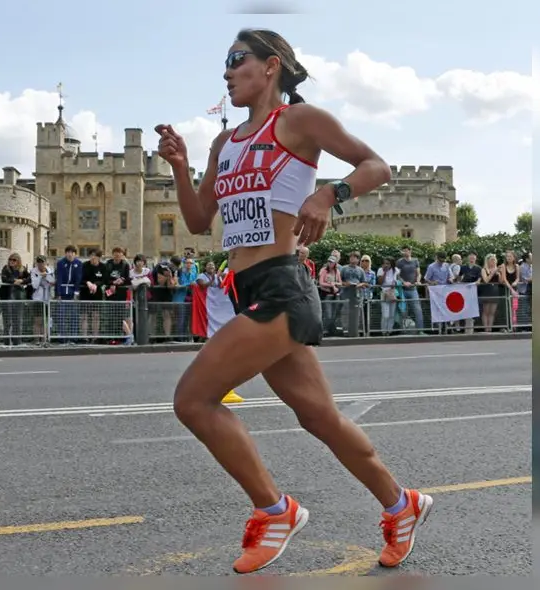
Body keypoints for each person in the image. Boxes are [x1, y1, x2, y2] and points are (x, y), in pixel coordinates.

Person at [154, 28, 433, 575]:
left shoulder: (299, 123)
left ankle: (275, 510)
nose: (229, 72)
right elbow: (196, 220)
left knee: (193, 400)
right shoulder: (225, 143)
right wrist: (181, 166)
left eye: (238, 61)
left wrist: (330, 193)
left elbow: (377, 166)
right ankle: (403, 505)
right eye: (225, 65)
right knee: (320, 418)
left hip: (283, 286)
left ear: (271, 65)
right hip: (248, 291)